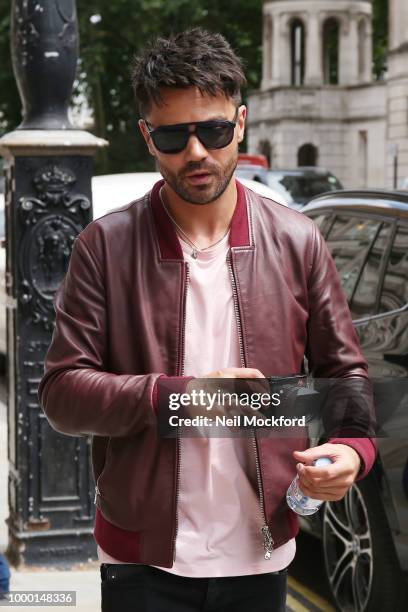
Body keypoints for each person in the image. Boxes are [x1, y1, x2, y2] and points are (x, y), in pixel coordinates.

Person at [38, 28, 376, 612]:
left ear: (240, 124)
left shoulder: (297, 240)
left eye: (214, 130)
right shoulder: (106, 245)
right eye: (174, 134)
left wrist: (352, 450)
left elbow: (345, 373)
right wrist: (182, 398)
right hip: (142, 560)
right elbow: (64, 394)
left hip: (262, 548)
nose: (196, 152)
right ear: (148, 137)